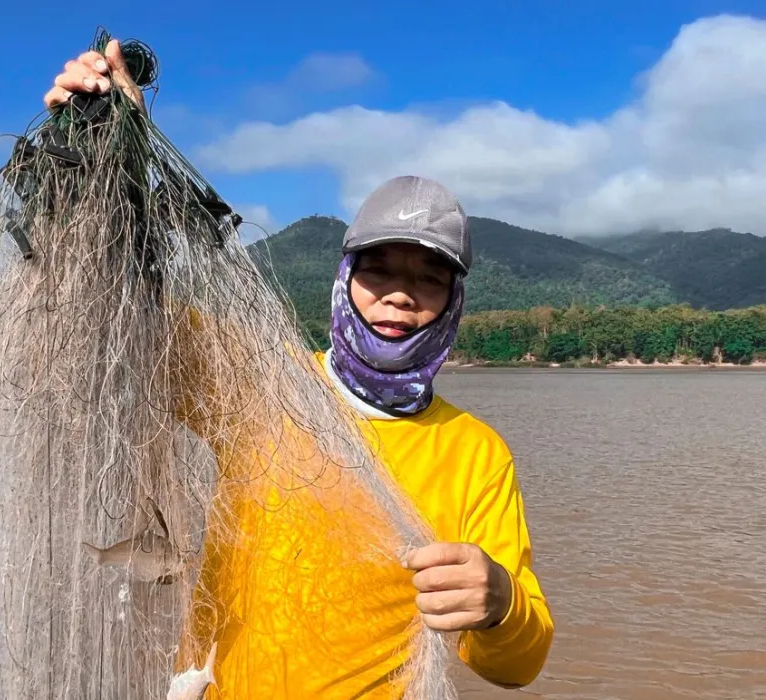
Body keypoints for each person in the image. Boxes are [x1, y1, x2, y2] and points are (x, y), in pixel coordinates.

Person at [45, 40, 554, 697]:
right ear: (344, 278)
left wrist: (501, 603)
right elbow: (118, 320)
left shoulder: (476, 456)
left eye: (430, 278)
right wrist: (103, 142)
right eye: (379, 270)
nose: (401, 294)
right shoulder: (258, 379)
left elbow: (518, 663)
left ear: (453, 302)